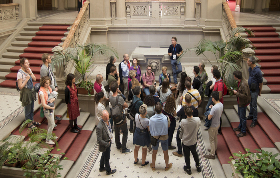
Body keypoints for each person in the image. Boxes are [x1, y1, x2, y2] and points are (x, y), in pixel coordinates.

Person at [149, 103, 172, 171]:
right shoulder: (166, 117)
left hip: (155, 137)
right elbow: (168, 126)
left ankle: (153, 166)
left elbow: (150, 127)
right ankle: (167, 166)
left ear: (154, 110)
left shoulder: (151, 119)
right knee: (165, 151)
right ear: (162, 109)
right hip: (164, 136)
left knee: (154, 151)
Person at [109, 81, 130, 153]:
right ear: (117, 89)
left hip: (114, 116)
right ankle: (124, 148)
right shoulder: (119, 98)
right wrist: (120, 93)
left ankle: (118, 145)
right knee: (125, 132)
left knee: (117, 131)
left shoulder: (110, 97)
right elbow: (126, 105)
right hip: (121, 116)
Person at [179, 106, 201, 175]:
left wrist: (180, 137)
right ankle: (198, 166)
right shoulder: (197, 120)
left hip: (185, 142)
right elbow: (199, 126)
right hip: (193, 140)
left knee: (187, 155)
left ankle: (188, 168)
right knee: (195, 153)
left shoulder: (183, 121)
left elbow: (181, 131)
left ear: (185, 113)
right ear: (192, 112)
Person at [17, 58, 37, 129]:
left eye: (28, 63)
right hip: (26, 92)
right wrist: (26, 79)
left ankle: (32, 120)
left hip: (31, 91)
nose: (28, 64)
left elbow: (35, 79)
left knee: (32, 107)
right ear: (22, 64)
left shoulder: (29, 70)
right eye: (26, 63)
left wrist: (30, 73)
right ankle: (29, 123)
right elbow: (20, 87)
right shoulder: (20, 73)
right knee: (28, 108)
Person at [40, 53, 61, 121]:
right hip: (48, 88)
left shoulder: (49, 66)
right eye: (49, 58)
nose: (51, 59)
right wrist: (52, 87)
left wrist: (56, 85)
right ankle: (49, 119)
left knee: (52, 102)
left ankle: (53, 116)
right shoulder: (43, 69)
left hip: (52, 87)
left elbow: (52, 76)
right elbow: (45, 81)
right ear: (46, 60)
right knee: (48, 103)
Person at [96, 110, 116, 175]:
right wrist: (107, 144)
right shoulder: (99, 127)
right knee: (107, 157)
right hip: (105, 143)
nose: (107, 118)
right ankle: (108, 170)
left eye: (108, 116)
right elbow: (99, 140)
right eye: (105, 117)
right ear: (102, 117)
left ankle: (101, 167)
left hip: (109, 140)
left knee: (104, 155)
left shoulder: (107, 121)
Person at [204, 91, 223, 159]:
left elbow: (209, 117)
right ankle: (214, 149)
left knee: (211, 139)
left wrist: (210, 109)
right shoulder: (221, 104)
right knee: (215, 137)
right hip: (217, 123)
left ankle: (212, 154)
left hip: (212, 125)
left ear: (213, 98)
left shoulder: (214, 108)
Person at [232, 71, 250, 137]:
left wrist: (236, 93)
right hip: (240, 102)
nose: (233, 77)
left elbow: (245, 95)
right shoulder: (240, 82)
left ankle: (243, 131)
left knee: (243, 117)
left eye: (234, 76)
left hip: (243, 103)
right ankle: (240, 126)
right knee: (240, 114)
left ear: (236, 77)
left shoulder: (243, 84)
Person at [38, 76, 56, 145]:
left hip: (51, 106)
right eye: (46, 83)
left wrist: (53, 99)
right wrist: (52, 108)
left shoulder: (48, 88)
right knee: (52, 124)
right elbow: (43, 104)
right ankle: (48, 139)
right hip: (47, 110)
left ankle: (50, 135)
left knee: (50, 123)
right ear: (43, 83)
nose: (48, 85)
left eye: (48, 83)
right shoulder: (41, 92)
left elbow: (53, 96)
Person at [247, 56, 263, 128]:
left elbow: (261, 82)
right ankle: (251, 115)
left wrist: (260, 91)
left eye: (248, 61)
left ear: (251, 62)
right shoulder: (250, 68)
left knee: (254, 104)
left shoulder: (258, 71)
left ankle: (255, 119)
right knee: (250, 102)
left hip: (255, 89)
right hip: (250, 88)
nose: (247, 62)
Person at [212, 69, 225, 133]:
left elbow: (220, 95)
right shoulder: (217, 82)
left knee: (218, 116)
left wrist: (216, 102)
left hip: (218, 102)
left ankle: (219, 129)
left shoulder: (219, 84)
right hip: (216, 101)